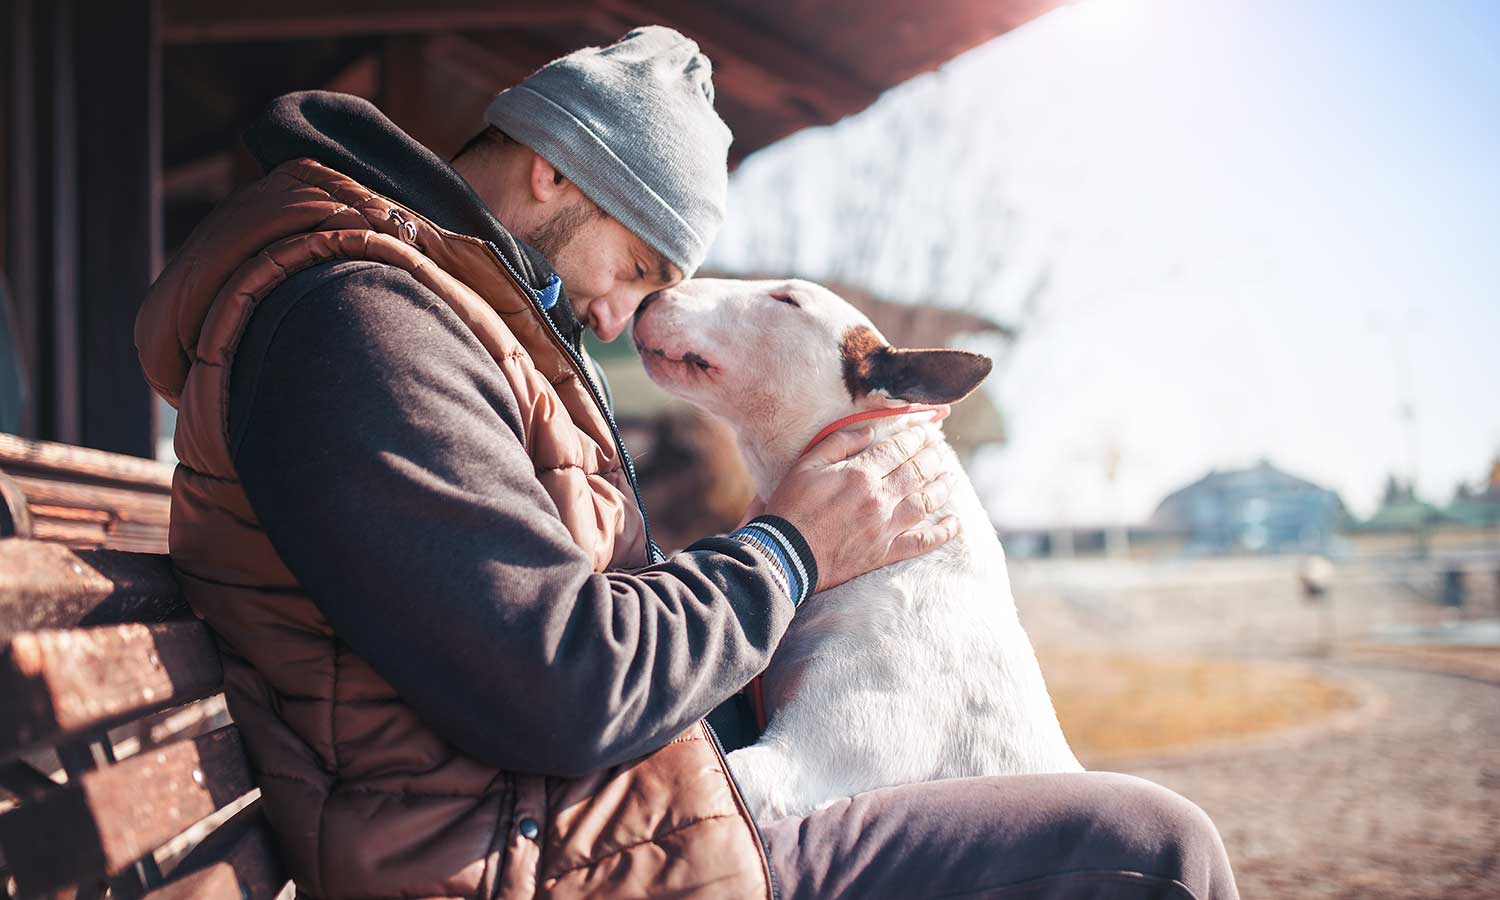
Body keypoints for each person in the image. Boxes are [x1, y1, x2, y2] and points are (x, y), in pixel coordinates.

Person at [134, 26, 1238, 900]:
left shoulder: (427, 318)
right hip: (543, 861)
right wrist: (793, 550)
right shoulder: (361, 323)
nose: (625, 313)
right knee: (1148, 849)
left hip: (585, 816)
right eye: (640, 261)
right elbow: (564, 684)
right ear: (557, 173)